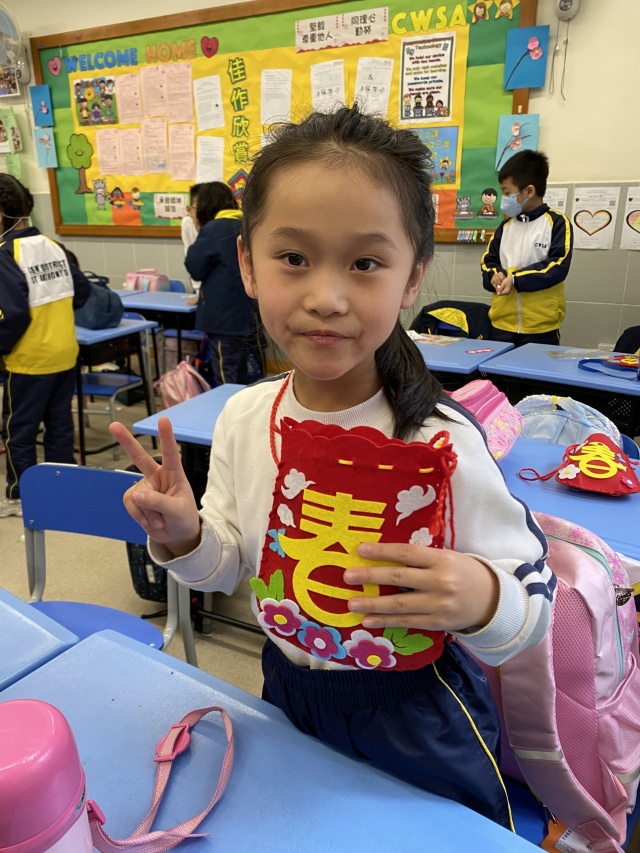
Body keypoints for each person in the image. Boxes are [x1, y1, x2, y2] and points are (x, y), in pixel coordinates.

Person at [110, 105, 553, 828]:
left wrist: (481, 596)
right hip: (288, 690)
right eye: (293, 258)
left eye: (366, 263)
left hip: (417, 711)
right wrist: (187, 536)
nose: (326, 298)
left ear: (411, 278)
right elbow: (230, 567)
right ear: (247, 264)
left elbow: (533, 604)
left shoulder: (440, 441)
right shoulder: (246, 417)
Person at [0, 175, 91, 518]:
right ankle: (61, 490)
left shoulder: (5, 254)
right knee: (59, 426)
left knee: (19, 431)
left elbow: (12, 314)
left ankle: (19, 496)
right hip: (65, 353)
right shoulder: (53, 245)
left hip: (29, 360)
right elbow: (82, 291)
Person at [481, 150, 573, 347]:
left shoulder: (557, 223)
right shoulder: (505, 227)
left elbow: (558, 266)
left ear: (529, 191)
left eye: (507, 193)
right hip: (502, 325)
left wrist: (515, 279)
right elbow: (489, 261)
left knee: (536, 369)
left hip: (541, 327)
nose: (503, 199)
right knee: (499, 368)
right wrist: (495, 274)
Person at [185, 181, 264, 385]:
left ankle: (228, 407)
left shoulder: (213, 229)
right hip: (251, 315)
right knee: (249, 376)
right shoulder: (247, 224)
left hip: (224, 320)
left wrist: (199, 230)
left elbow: (195, 267)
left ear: (205, 206)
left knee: (226, 378)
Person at [181, 182, 201, 292]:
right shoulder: (187, 223)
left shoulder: (216, 225)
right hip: (200, 286)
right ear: (189, 210)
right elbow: (189, 257)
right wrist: (198, 292)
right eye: (199, 208)